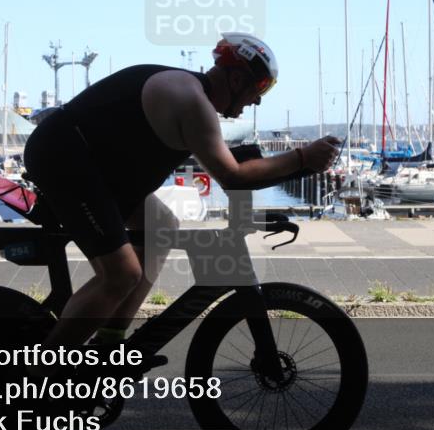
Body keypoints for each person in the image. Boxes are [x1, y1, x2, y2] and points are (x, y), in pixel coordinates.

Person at [23, 32, 340, 349]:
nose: (258, 100)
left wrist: (298, 164)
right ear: (236, 78)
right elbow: (233, 176)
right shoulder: (191, 100)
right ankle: (43, 377)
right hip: (62, 157)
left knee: (161, 226)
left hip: (92, 166)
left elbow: (227, 166)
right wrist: (302, 157)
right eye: (260, 87)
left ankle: (109, 345)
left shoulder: (194, 97)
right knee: (120, 275)